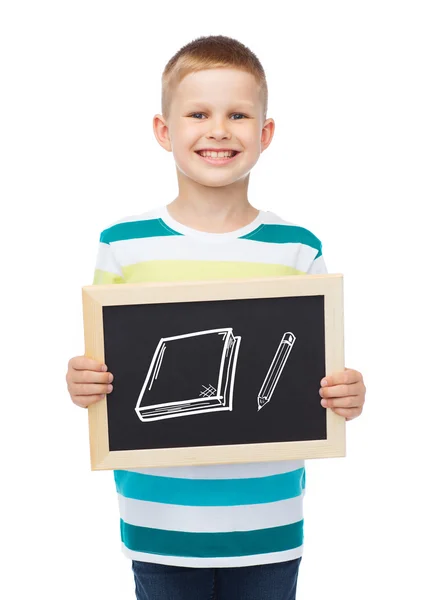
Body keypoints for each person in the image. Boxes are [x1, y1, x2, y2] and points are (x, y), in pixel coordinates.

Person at [66, 35, 366, 600]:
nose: (219, 130)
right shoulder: (123, 244)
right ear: (164, 130)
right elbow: (102, 365)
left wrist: (347, 392)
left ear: (265, 133)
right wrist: (82, 382)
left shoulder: (297, 247)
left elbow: (323, 374)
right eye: (199, 113)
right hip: (159, 521)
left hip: (268, 520)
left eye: (238, 114)